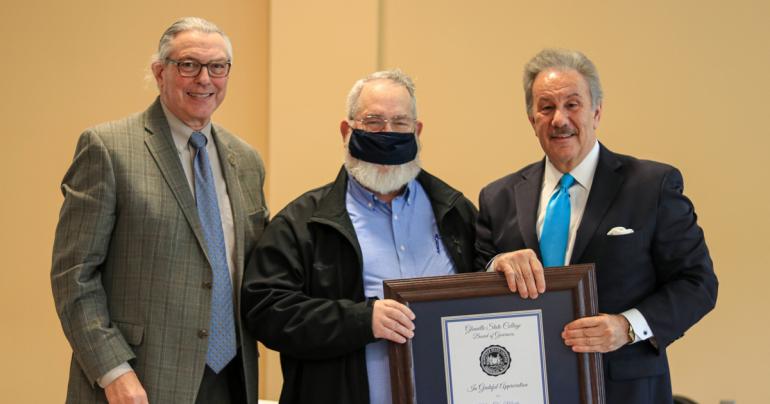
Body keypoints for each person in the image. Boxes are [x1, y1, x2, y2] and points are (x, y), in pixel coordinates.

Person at [475, 48, 718, 403]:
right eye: (546, 107)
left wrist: (627, 327)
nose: (559, 119)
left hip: (624, 388)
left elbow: (698, 284)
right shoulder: (498, 197)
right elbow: (472, 279)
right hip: (524, 385)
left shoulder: (652, 186)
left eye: (572, 104)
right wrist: (495, 266)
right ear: (531, 119)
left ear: (597, 111)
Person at [51, 17, 267, 404]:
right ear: (159, 72)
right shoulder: (108, 148)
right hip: (137, 381)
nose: (204, 78)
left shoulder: (246, 160)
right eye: (188, 64)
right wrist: (113, 370)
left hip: (232, 380)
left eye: (217, 67)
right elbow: (74, 276)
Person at [241, 69, 478, 404]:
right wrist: (361, 320)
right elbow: (266, 311)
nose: (387, 134)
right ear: (346, 130)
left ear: (417, 131)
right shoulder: (302, 223)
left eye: (400, 123)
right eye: (373, 121)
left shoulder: (456, 213)